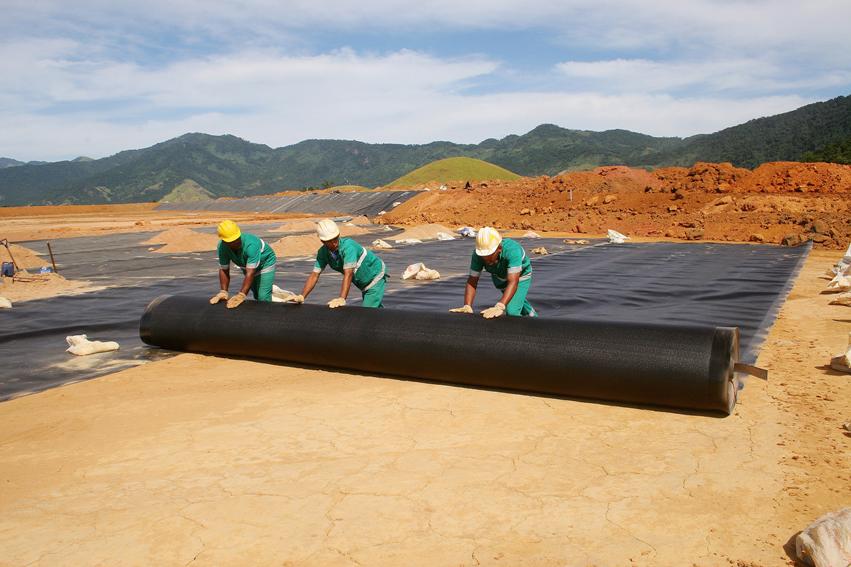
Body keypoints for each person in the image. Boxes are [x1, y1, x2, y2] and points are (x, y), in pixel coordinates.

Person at [287, 219, 387, 308]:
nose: (334, 243)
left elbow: (348, 273)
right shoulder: (323, 253)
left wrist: (342, 298)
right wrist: (302, 296)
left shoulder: (348, 247)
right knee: (375, 308)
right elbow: (314, 275)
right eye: (329, 241)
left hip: (375, 276)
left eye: (335, 239)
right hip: (363, 282)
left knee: (367, 312)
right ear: (322, 241)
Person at [450, 226, 537, 319]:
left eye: (489, 255)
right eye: (483, 255)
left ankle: (528, 328)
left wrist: (500, 306)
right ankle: (533, 317)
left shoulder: (512, 250)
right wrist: (467, 305)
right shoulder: (477, 255)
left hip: (520, 276)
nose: (486, 259)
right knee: (515, 299)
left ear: (499, 248)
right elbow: (472, 281)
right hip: (499, 277)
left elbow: (513, 281)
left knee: (512, 311)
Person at [209, 220, 277, 309]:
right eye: (231, 242)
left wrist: (241, 295)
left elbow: (250, 273)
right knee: (256, 295)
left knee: (263, 297)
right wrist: (223, 291)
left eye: (236, 239)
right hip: (247, 266)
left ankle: (268, 317)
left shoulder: (251, 245)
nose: (235, 243)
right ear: (224, 241)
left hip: (265, 264)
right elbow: (224, 269)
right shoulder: (222, 247)